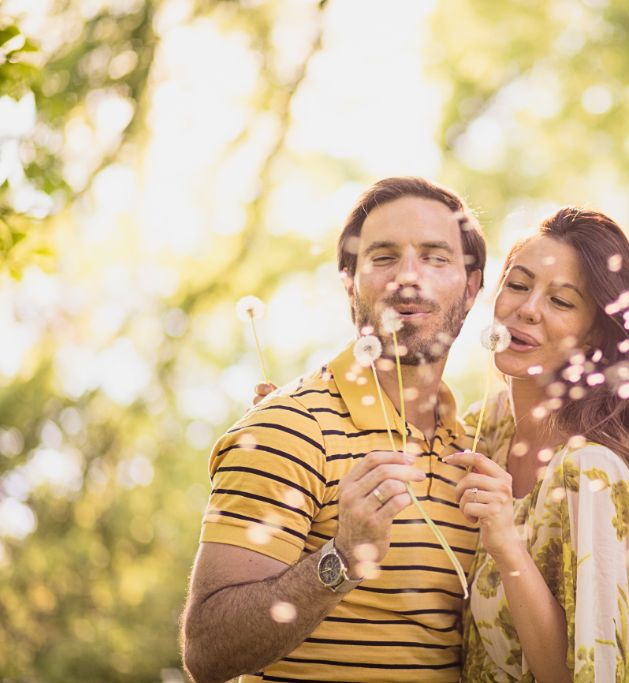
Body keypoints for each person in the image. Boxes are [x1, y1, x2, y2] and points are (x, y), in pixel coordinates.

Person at [180, 176, 486, 683]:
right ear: (349, 280)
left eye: (435, 257)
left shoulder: (475, 447)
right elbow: (207, 651)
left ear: (472, 287)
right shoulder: (288, 426)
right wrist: (342, 556)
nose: (408, 277)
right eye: (384, 257)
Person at [445, 208, 629, 681]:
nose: (529, 308)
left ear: (594, 334)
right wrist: (292, 413)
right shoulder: (490, 429)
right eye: (518, 285)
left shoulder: (593, 473)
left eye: (561, 301)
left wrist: (508, 546)